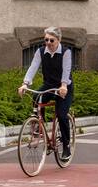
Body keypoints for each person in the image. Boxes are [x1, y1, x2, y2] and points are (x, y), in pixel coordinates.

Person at [19, 26, 74, 159]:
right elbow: (33, 67)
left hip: (63, 87)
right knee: (36, 96)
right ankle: (38, 129)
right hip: (49, 85)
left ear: (58, 40)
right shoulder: (41, 51)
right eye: (46, 40)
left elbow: (66, 71)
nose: (48, 43)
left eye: (51, 40)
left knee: (61, 115)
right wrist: (25, 84)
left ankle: (66, 146)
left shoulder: (66, 52)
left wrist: (63, 86)